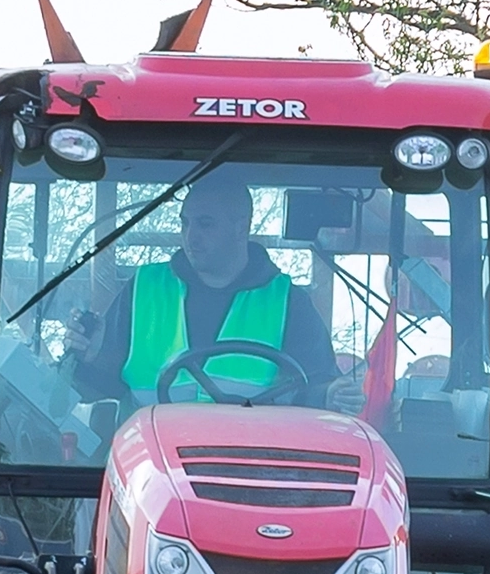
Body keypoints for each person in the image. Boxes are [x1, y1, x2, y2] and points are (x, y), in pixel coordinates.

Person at [71, 171, 334, 408]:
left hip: (253, 458)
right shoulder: (144, 288)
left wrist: (332, 395)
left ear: (241, 227)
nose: (190, 236)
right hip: (148, 458)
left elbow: (318, 392)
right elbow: (100, 390)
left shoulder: (288, 301)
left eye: (205, 224)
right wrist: (92, 358)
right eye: (185, 223)